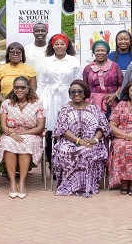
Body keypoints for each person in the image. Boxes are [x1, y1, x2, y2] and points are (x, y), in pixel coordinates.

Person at [52, 80, 110, 197]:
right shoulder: (65, 109)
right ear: (69, 94)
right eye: (73, 92)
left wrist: (95, 140)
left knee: (87, 151)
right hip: (69, 141)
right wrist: (78, 141)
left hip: (91, 141)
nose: (76, 94)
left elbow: (103, 127)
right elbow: (62, 129)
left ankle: (87, 186)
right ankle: (69, 185)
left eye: (79, 91)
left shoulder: (94, 108)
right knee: (65, 150)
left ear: (85, 93)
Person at [0, 76, 45, 199]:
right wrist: (12, 134)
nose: (19, 90)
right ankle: (12, 181)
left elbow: (40, 127)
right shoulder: (6, 104)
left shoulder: (37, 103)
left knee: (25, 143)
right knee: (8, 144)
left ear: (28, 88)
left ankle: (22, 182)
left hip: (31, 134)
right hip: (10, 134)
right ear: (13, 88)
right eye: (16, 87)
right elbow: (3, 125)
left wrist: (21, 135)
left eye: (23, 87)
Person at [36, 33, 82, 162]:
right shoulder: (46, 61)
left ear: (67, 45)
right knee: (51, 131)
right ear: (52, 45)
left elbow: (78, 81)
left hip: (68, 98)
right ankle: (52, 164)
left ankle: (68, 162)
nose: (59, 46)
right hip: (49, 98)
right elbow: (42, 83)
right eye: (56, 44)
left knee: (68, 130)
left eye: (62, 44)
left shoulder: (73, 60)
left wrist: (77, 99)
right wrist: (39, 102)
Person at [82, 40, 123, 115]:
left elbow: (122, 85)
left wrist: (115, 95)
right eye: (97, 51)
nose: (100, 53)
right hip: (92, 104)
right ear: (94, 53)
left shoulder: (115, 67)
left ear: (107, 52)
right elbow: (84, 87)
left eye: (103, 50)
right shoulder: (88, 68)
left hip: (111, 103)